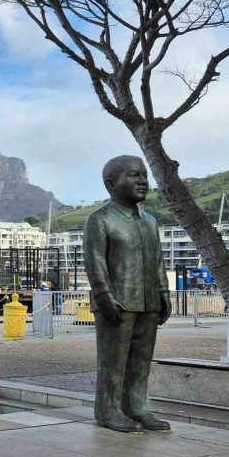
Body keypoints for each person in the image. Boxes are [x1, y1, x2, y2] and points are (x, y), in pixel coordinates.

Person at [83, 155, 172, 433]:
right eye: (134, 175)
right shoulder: (100, 219)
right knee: (113, 362)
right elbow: (94, 262)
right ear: (112, 183)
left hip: (147, 302)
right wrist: (104, 295)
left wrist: (163, 292)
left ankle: (136, 407)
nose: (143, 181)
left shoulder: (149, 221)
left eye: (144, 175)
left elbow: (158, 261)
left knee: (141, 361)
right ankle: (108, 411)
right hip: (117, 302)